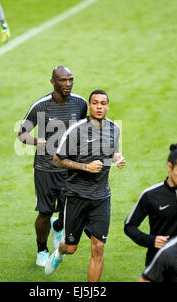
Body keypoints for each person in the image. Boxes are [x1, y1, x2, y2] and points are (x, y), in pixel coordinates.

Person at [46, 89, 126, 282]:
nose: (99, 107)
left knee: (98, 248)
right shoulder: (76, 130)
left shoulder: (114, 129)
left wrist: (117, 157)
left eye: (103, 103)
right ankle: (59, 252)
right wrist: (85, 167)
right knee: (71, 248)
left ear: (107, 106)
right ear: (89, 106)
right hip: (76, 196)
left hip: (101, 197)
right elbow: (57, 160)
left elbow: (111, 152)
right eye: (95, 103)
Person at [18, 66, 88, 267]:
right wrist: (36, 141)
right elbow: (22, 134)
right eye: (63, 80)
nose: (68, 84)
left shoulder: (80, 103)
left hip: (70, 168)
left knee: (69, 211)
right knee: (45, 211)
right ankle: (41, 249)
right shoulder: (40, 106)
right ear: (53, 82)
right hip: (45, 168)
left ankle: (58, 226)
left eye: (70, 80)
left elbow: (84, 131)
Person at [124, 143, 177, 267]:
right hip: (159, 261)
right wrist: (151, 240)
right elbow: (129, 226)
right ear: (169, 166)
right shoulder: (150, 195)